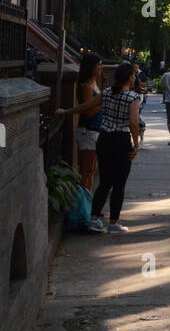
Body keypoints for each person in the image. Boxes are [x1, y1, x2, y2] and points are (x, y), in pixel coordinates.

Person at [88, 60, 142, 234]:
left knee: (104, 182)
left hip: (104, 138)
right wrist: (136, 144)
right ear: (129, 78)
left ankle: (94, 219)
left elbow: (87, 106)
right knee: (119, 183)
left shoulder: (106, 93)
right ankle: (113, 223)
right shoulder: (132, 97)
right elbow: (133, 122)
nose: (135, 78)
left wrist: (66, 111)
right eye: (133, 75)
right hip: (121, 140)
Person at [56, 53, 103, 192]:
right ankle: (84, 205)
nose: (101, 67)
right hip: (88, 131)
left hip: (95, 131)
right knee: (86, 171)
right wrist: (103, 102)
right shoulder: (86, 86)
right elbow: (87, 110)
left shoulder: (94, 83)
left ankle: (89, 204)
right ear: (91, 67)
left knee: (92, 170)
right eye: (98, 65)